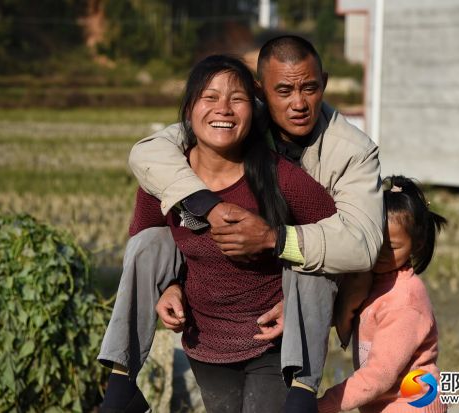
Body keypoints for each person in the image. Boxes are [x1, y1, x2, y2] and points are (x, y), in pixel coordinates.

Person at [98, 35, 384, 412]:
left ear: (324, 84)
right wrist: (172, 275)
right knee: (148, 242)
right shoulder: (222, 126)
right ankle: (121, 381)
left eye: (309, 88)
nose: (298, 104)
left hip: (277, 320)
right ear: (262, 91)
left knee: (313, 258)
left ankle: (302, 388)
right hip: (210, 331)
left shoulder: (345, 153)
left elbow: (358, 244)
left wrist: (278, 249)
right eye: (284, 90)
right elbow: (149, 157)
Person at [131, 54, 338, 412]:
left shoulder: (280, 176)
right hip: (204, 340)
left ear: (254, 110)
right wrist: (167, 287)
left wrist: (300, 306)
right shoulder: (165, 178)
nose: (223, 109)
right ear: (189, 109)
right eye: (209, 98)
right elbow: (148, 241)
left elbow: (336, 238)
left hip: (272, 343)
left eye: (237, 99)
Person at [318, 175, 448, 413]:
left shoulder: (405, 301)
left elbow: (380, 374)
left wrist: (325, 404)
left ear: (416, 245)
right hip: (384, 402)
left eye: (393, 247)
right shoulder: (365, 279)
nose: (381, 253)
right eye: (376, 242)